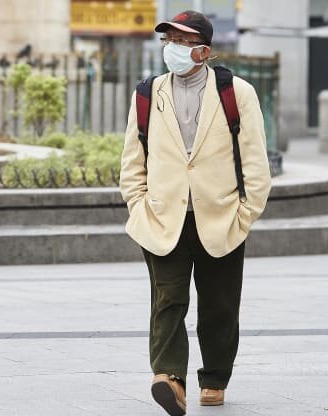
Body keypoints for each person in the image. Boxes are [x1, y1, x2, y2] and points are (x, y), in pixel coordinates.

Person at [119, 10, 272, 416]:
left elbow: (255, 162)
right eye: (168, 40)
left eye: (183, 41)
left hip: (220, 217)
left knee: (220, 304)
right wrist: (138, 207)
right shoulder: (148, 94)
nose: (174, 48)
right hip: (162, 217)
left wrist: (245, 214)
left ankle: (215, 376)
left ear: (203, 50)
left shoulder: (236, 92)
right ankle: (169, 377)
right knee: (167, 300)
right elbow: (132, 162)